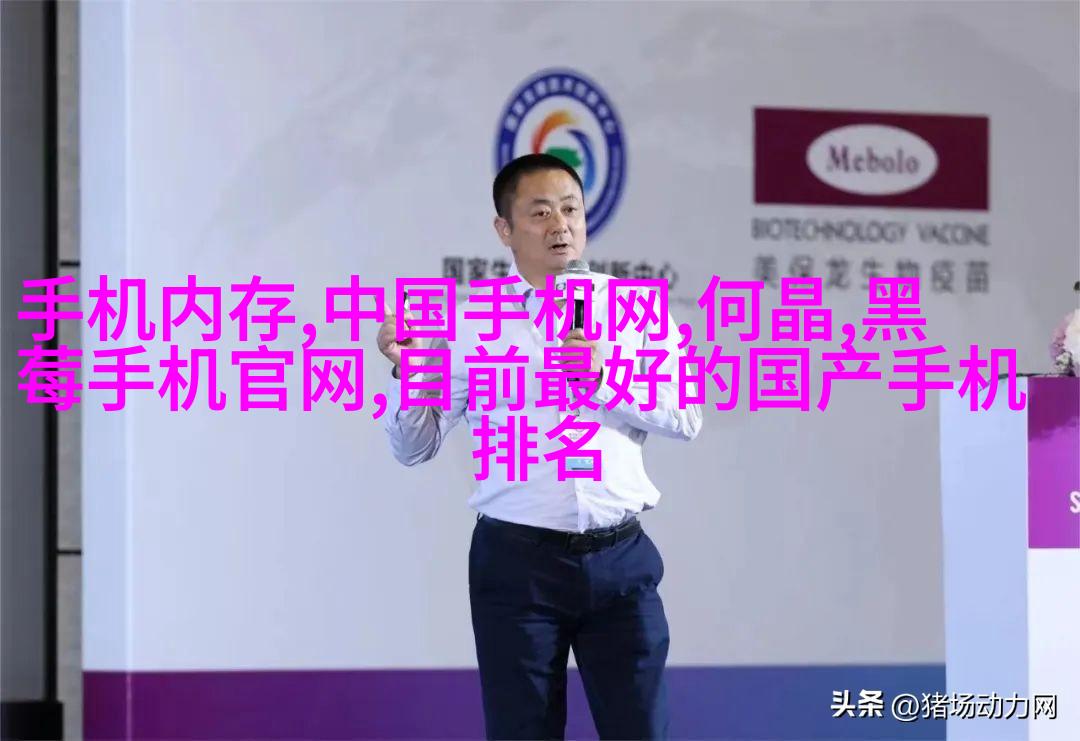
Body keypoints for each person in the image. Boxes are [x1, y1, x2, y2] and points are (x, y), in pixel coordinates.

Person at [377, 154, 702, 740]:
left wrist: (603, 379)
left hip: (621, 561)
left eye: (571, 209)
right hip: (516, 565)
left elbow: (686, 417)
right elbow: (414, 447)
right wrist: (410, 373)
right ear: (504, 229)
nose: (561, 225)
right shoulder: (469, 323)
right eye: (541, 212)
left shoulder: (636, 310)